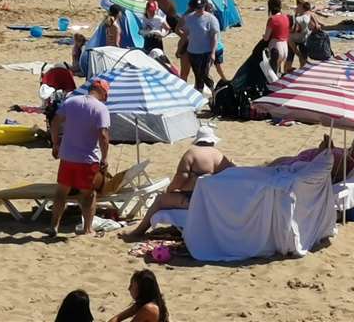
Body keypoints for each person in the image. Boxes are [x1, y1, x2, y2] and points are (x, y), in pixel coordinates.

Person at [122, 125, 232, 239]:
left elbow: (181, 178)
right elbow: (233, 175)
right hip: (213, 202)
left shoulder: (192, 153)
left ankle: (138, 232)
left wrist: (170, 189)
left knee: (160, 200)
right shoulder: (220, 156)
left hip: (193, 201)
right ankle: (177, 227)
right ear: (212, 141)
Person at [49, 78, 111, 237]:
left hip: (67, 156)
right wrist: (104, 158)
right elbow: (103, 136)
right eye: (106, 94)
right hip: (87, 159)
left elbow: (55, 121)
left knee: (61, 192)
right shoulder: (101, 108)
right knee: (88, 195)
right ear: (103, 92)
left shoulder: (71, 101)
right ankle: (87, 229)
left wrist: (55, 143)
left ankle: (54, 226)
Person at [181, 0, 221, 92]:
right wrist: (180, 48)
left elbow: (215, 36)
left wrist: (212, 52)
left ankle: (213, 90)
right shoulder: (189, 18)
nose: (200, 10)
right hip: (193, 51)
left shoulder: (211, 19)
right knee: (197, 74)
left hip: (205, 51)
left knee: (204, 74)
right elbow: (186, 33)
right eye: (197, 8)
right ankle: (199, 91)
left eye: (201, 7)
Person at [263, 0, 290, 73]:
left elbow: (266, 38)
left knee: (272, 73)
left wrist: (264, 36)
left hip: (276, 46)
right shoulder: (286, 17)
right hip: (285, 47)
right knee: (278, 70)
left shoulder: (272, 19)